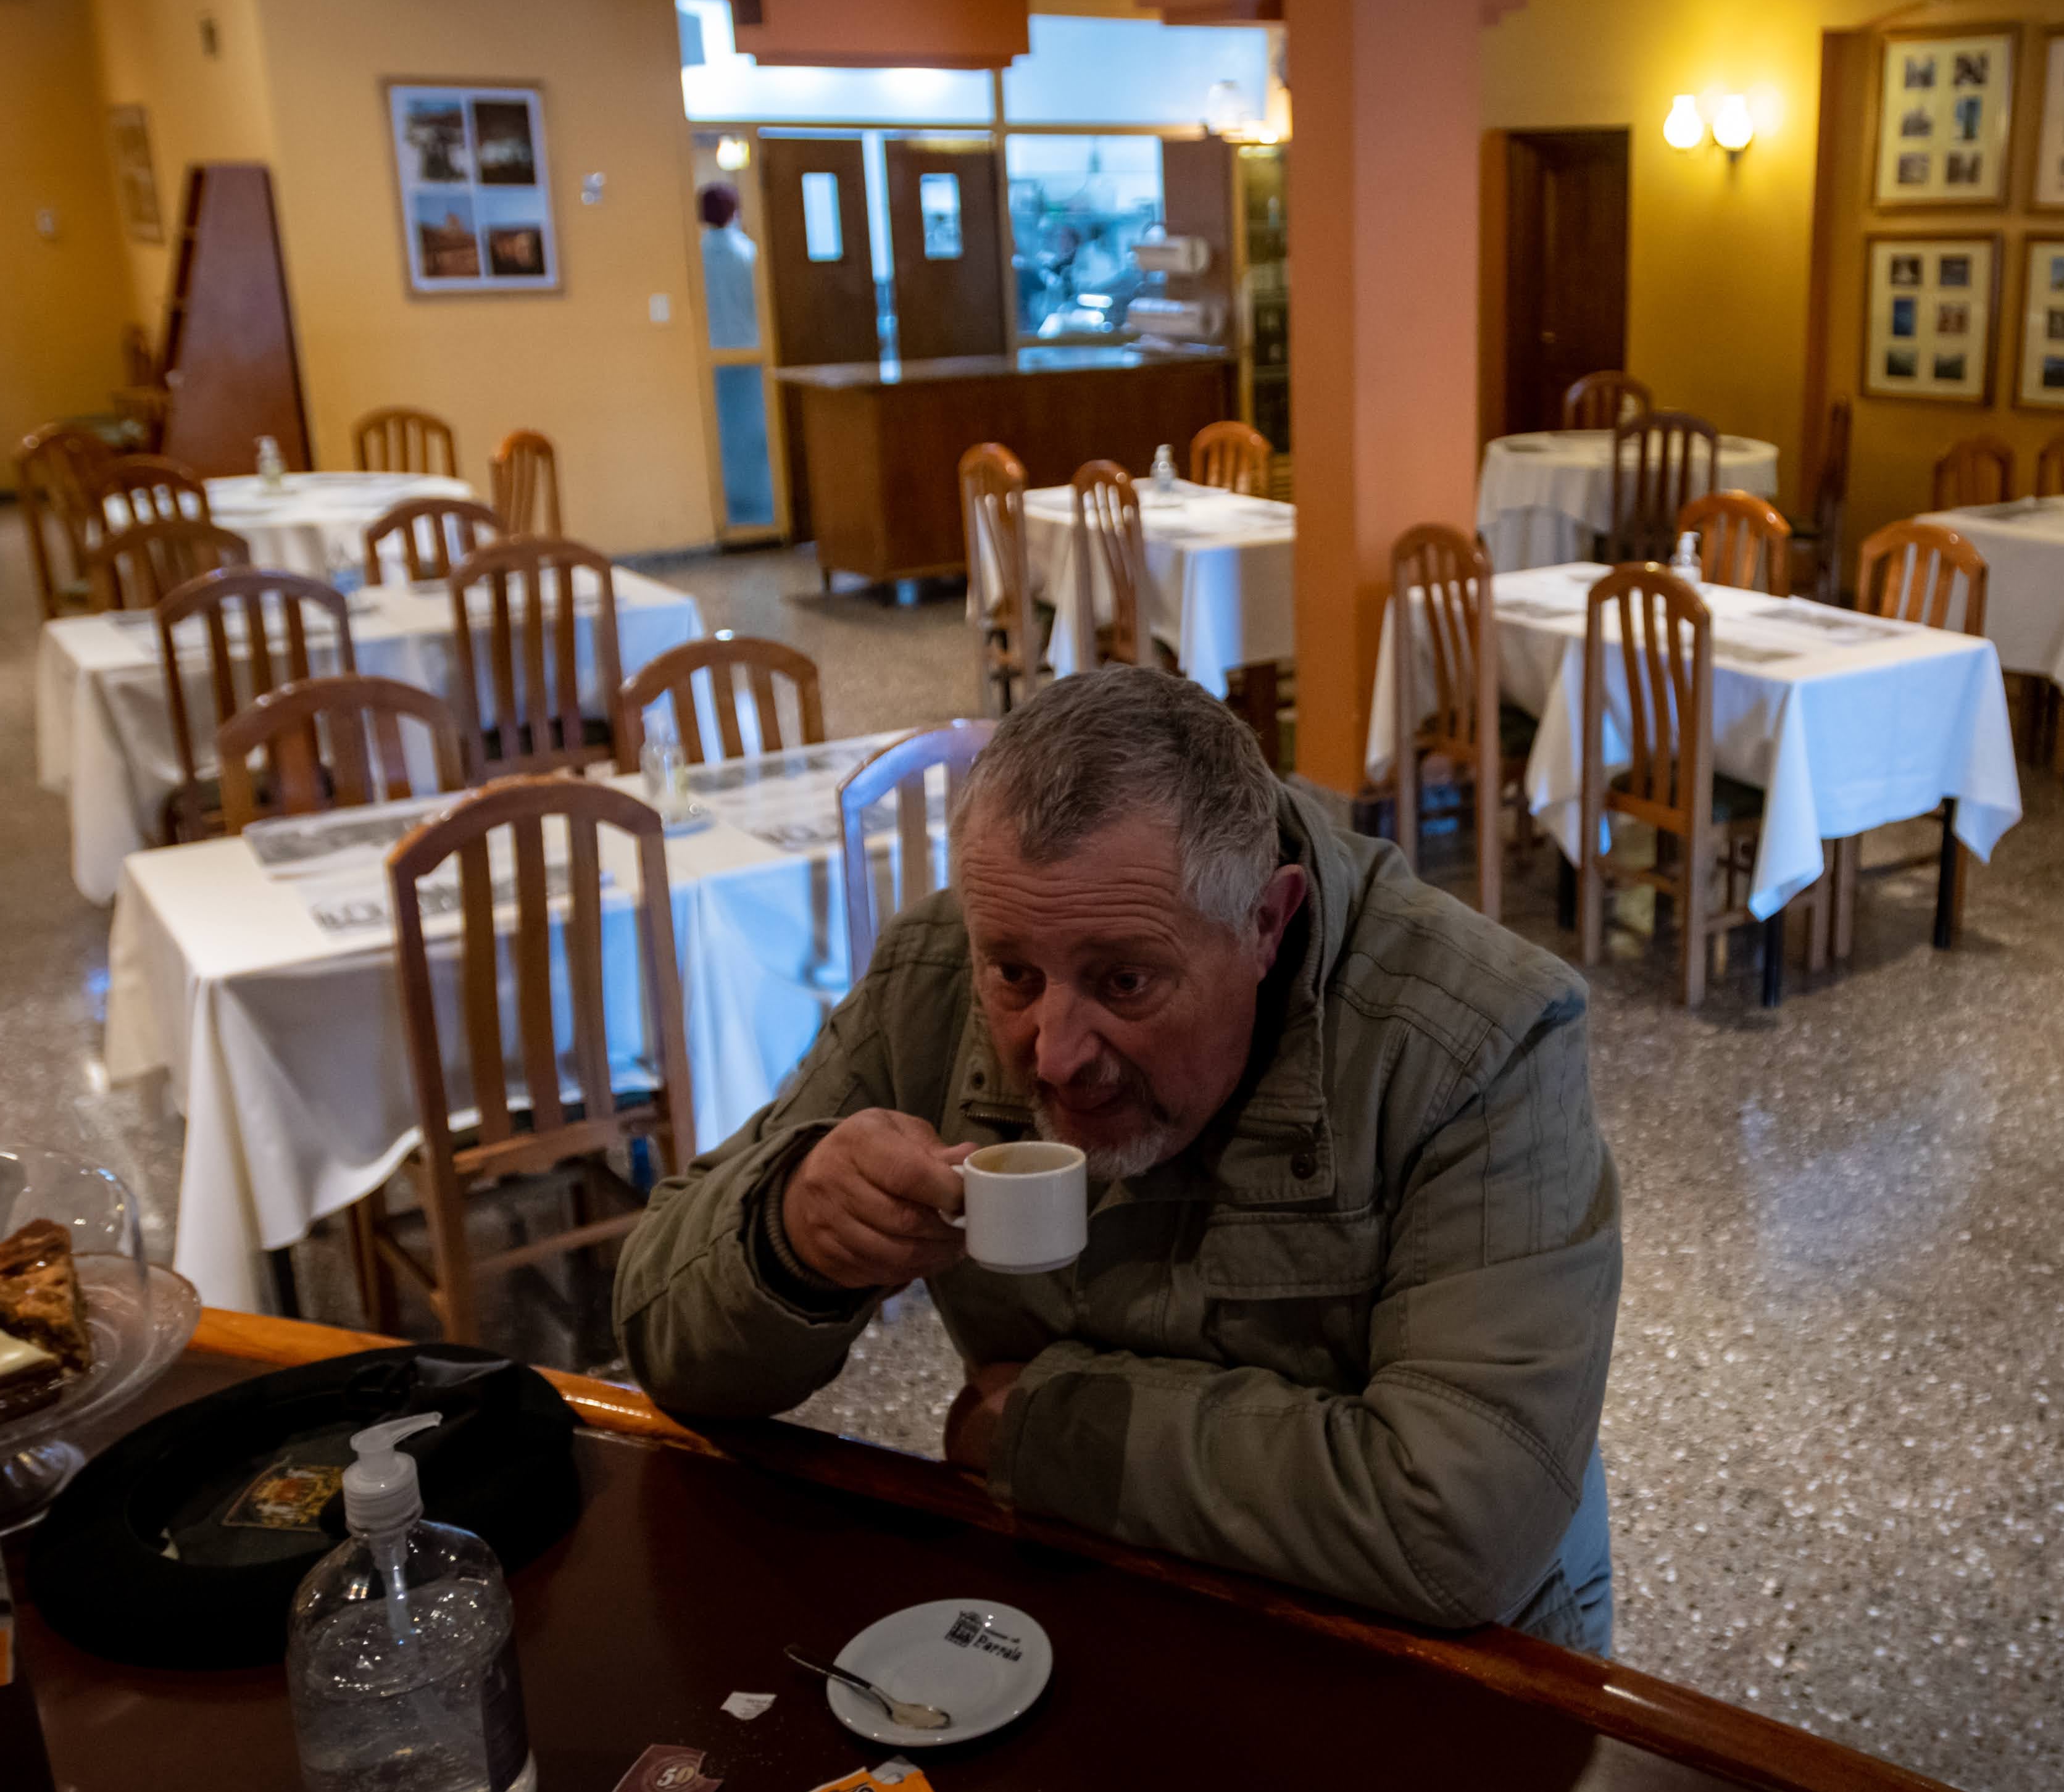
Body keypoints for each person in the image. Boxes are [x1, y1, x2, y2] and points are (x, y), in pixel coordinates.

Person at [617, 668, 1623, 1651]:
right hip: (1095, 1612)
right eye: (1014, 973)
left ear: (1266, 922)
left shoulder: (1477, 1036)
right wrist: (788, 1235)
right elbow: (659, 1329)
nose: (1053, 1053)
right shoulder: (932, 974)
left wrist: (1036, 1430)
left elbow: (1458, 1525)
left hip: (1454, 1677)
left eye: (1125, 979)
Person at [697, 183, 759, 352]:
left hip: (711, 348)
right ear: (735, 211)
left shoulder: (697, 255)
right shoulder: (748, 253)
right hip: (751, 344)